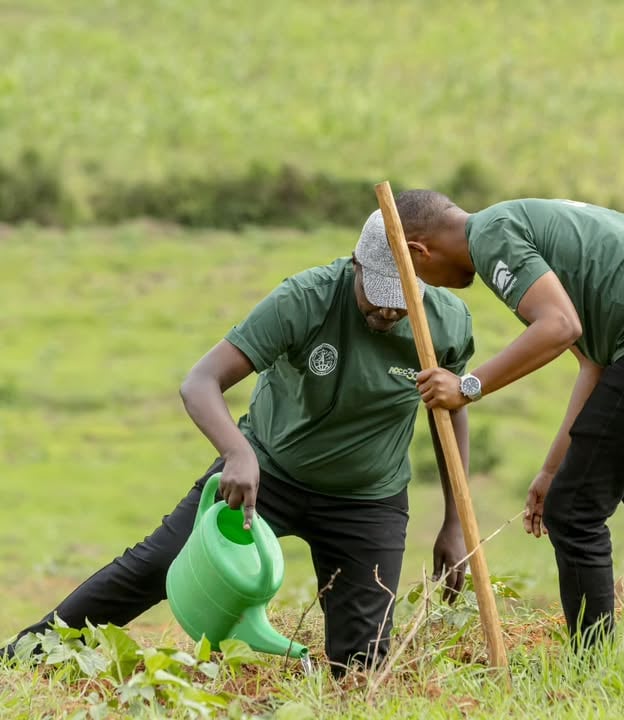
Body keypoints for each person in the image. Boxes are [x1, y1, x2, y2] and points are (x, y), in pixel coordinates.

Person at [2, 210, 476, 675]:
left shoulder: (445, 324)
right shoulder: (304, 299)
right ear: (356, 265)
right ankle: (23, 660)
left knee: (360, 665)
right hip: (267, 472)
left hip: (367, 500)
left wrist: (456, 522)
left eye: (403, 298)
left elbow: (449, 413)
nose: (390, 310)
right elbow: (201, 381)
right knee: (159, 561)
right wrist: (237, 451)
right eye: (378, 296)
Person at [394, 191, 624, 675]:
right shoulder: (516, 222)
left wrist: (467, 386)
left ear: (419, 250)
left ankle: (592, 672)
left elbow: (559, 327)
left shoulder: (491, 237)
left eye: (419, 276)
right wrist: (552, 467)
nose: (429, 284)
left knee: (573, 512)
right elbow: (594, 362)